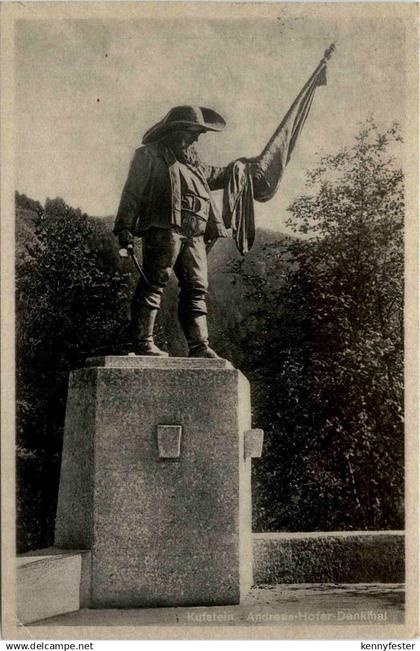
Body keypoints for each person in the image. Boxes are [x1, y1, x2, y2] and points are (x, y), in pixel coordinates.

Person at [113, 106, 231, 358]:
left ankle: (199, 346)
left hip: (195, 234)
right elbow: (132, 192)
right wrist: (124, 226)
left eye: (199, 133)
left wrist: (242, 168)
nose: (196, 139)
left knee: (197, 288)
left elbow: (221, 174)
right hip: (163, 228)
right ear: (175, 130)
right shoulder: (149, 155)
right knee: (154, 282)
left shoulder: (196, 165)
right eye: (192, 132)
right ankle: (144, 342)